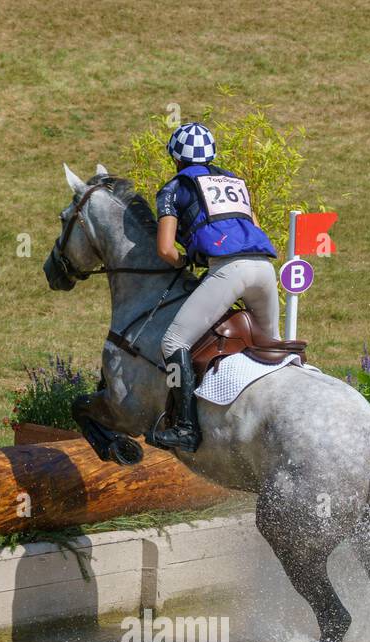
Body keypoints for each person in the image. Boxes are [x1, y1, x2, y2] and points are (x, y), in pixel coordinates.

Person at [149, 123, 280, 453]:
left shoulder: (174, 188)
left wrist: (182, 263)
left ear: (175, 158)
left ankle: (186, 428)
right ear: (212, 155)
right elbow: (251, 228)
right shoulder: (235, 182)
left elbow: (165, 249)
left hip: (229, 271)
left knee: (174, 341)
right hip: (264, 269)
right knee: (272, 347)